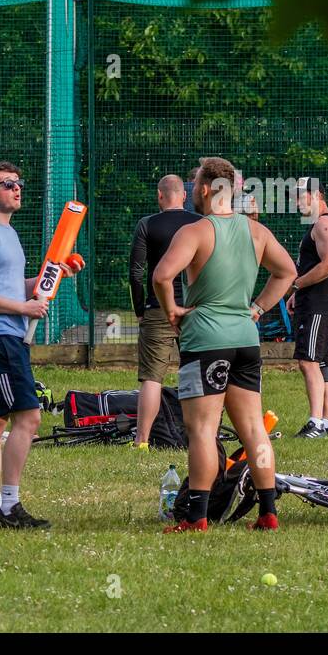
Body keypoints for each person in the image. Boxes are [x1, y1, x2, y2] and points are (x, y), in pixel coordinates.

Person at [153, 156, 296, 533]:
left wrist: (172, 311)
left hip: (206, 340)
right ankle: (268, 513)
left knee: (202, 429)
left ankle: (196, 517)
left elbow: (162, 276)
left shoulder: (196, 231)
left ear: (203, 189)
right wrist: (258, 308)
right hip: (245, 340)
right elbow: (288, 272)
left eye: (193, 185)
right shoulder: (256, 232)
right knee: (253, 427)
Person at [0, 161, 83, 529]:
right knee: (28, 417)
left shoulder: (8, 233)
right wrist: (23, 307)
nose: (17, 189)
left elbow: (11, 286)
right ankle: (9, 506)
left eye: (19, 183)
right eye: (8, 184)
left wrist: (56, 274)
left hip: (7, 336)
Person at [128, 175, 201, 449]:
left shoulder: (147, 225)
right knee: (197, 371)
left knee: (152, 377)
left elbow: (136, 272)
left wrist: (139, 308)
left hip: (158, 307)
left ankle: (142, 441)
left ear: (160, 196)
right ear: (184, 196)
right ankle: (201, 435)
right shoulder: (199, 224)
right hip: (195, 308)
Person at [289, 177, 328, 439]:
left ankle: (316, 423)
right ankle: (327, 421)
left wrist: (297, 285)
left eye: (301, 196)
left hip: (318, 305)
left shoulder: (324, 224)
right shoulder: (320, 224)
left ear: (317, 195)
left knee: (308, 361)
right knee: (320, 362)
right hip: (322, 303)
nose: (297, 202)